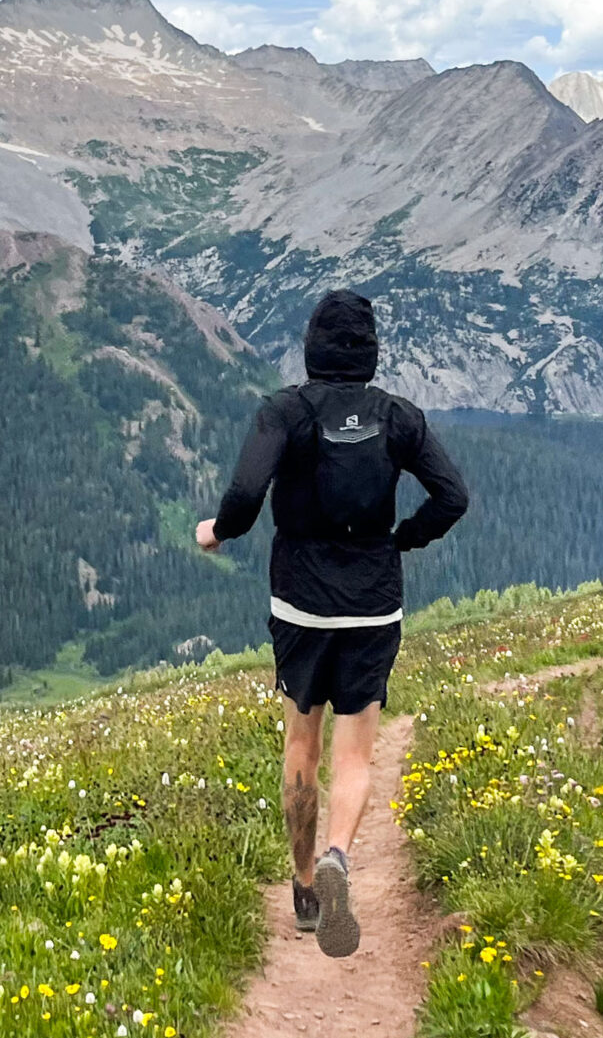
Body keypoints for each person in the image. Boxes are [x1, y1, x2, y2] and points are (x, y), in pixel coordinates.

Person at [196, 289, 468, 957]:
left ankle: (302, 888)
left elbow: (243, 495)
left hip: (300, 603)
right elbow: (453, 497)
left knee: (301, 746)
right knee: (354, 753)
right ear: (371, 351)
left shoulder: (284, 411)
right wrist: (403, 539)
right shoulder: (399, 418)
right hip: (374, 602)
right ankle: (339, 857)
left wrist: (218, 531)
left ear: (312, 344)